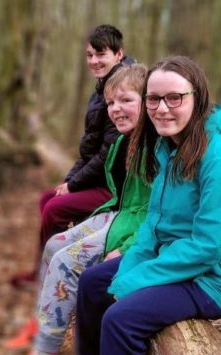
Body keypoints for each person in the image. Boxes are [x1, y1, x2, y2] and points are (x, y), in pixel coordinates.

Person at [74, 55, 221, 355]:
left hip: (215, 277)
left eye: (174, 98)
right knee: (92, 283)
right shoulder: (168, 146)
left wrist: (137, 279)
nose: (162, 108)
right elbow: (154, 223)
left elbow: (209, 246)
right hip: (174, 256)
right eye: (154, 99)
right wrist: (135, 265)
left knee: (121, 319)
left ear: (198, 98)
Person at [10, 64, 152, 355]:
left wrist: (127, 245)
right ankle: (42, 325)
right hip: (121, 214)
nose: (116, 109)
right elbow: (120, 193)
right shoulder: (124, 141)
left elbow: (156, 212)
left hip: (135, 228)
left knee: (65, 262)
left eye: (126, 100)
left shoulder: (155, 146)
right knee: (53, 245)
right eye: (112, 103)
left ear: (147, 100)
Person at [9, 24, 135, 288]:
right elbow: (88, 148)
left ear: (118, 54)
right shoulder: (101, 90)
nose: (94, 61)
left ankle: (48, 278)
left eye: (101, 54)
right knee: (50, 198)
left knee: (54, 208)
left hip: (115, 187)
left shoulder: (122, 91)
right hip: (100, 178)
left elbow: (106, 155)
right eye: (89, 55)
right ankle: (43, 269)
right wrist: (67, 182)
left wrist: (74, 185)